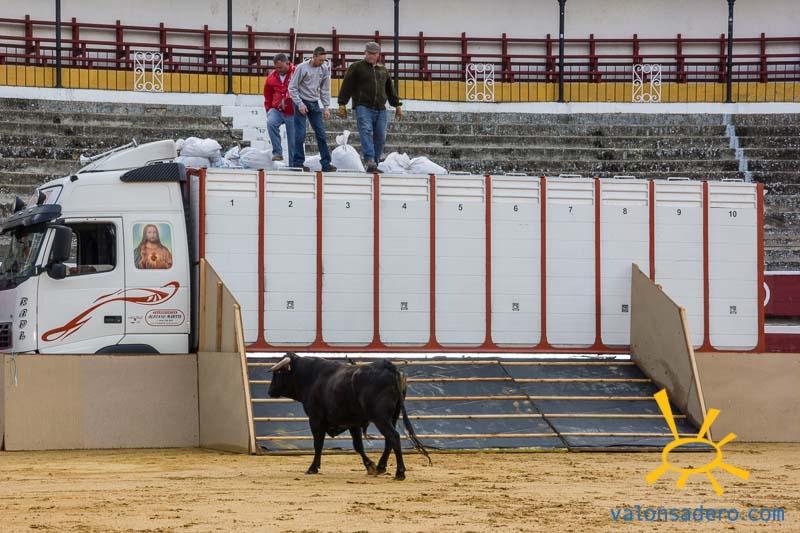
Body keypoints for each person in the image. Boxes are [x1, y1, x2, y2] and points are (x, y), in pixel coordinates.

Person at [337, 41, 403, 173]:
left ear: (378, 54)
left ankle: (374, 163)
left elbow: (390, 89)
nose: (371, 56)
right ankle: (370, 160)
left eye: (374, 53)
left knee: (381, 137)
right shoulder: (356, 67)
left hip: (381, 108)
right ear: (365, 53)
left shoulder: (383, 70)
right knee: (365, 131)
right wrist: (342, 103)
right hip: (363, 106)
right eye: (369, 53)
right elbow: (347, 85)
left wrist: (397, 105)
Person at [288, 46, 336, 172]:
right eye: (320, 60)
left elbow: (325, 89)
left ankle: (326, 163)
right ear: (314, 57)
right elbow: (292, 87)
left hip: (314, 102)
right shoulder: (301, 68)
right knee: (300, 134)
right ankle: (298, 163)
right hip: (301, 101)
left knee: (321, 134)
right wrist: (299, 104)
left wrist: (326, 107)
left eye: (324, 60)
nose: (322, 62)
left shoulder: (324, 68)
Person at [263, 53, 295, 163]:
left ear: (288, 63)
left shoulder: (296, 72)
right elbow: (267, 94)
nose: (278, 70)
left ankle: (293, 163)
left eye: (281, 67)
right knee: (270, 122)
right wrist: (268, 110)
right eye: (276, 67)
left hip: (292, 111)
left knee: (293, 140)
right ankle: (277, 152)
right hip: (276, 109)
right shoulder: (271, 77)